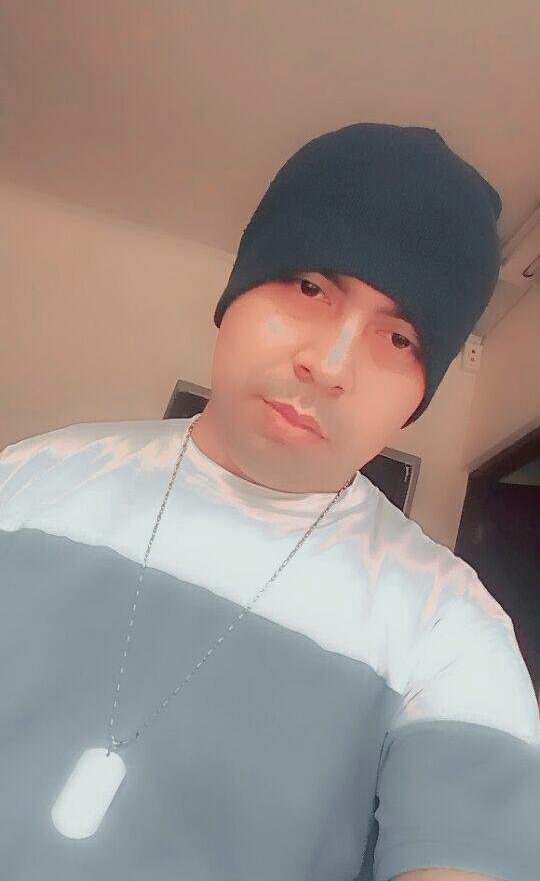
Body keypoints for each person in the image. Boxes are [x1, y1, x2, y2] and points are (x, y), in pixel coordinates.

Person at [0, 123, 538, 880]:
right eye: (311, 288)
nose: (331, 364)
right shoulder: (33, 478)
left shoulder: (446, 626)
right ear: (238, 291)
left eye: (399, 339)